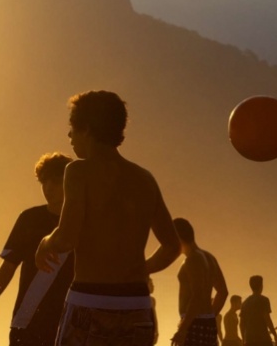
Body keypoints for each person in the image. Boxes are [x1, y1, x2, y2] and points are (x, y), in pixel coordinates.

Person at [34, 90, 182, 346]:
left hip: (91, 302)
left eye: (73, 128)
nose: (69, 136)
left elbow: (67, 238)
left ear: (88, 129)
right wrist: (140, 268)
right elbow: (172, 246)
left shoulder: (79, 171)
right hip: (138, 305)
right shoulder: (144, 179)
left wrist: (45, 242)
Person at [0, 153, 75, 345]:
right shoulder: (29, 219)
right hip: (28, 318)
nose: (48, 188)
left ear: (69, 182)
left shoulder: (83, 221)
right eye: (44, 182)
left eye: (55, 181)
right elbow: (9, 265)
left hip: (72, 319)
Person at [172, 218, 231, 346]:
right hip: (206, 323)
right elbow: (223, 292)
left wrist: (183, 328)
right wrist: (210, 315)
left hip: (194, 324)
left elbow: (197, 296)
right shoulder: (210, 258)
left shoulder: (192, 259)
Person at [243, 276, 277, 346]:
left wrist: (243, 340)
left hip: (249, 340)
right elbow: (267, 319)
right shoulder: (264, 300)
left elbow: (242, 323)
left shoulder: (245, 303)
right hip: (263, 339)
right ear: (261, 286)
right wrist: (275, 336)